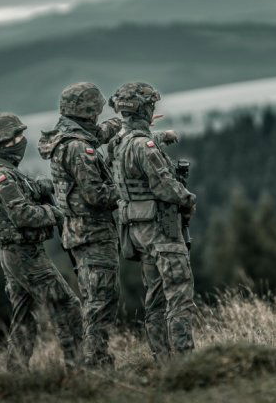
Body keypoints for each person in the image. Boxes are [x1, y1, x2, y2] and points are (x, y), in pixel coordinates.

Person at [38, 82, 179, 367]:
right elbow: (97, 195)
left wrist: (135, 124)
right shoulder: (78, 148)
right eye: (95, 110)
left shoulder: (66, 137)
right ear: (87, 111)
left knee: (95, 299)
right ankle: (96, 364)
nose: (98, 116)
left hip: (79, 234)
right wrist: (126, 185)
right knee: (101, 303)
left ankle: (90, 362)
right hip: (93, 234)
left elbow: (101, 133)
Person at [0, 112, 83, 369]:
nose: (23, 140)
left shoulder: (2, 172)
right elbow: (23, 215)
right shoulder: (3, 176)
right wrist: (57, 213)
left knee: (24, 318)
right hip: (25, 256)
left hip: (15, 255)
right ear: (6, 141)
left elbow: (21, 196)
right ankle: (80, 368)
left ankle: (15, 375)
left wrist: (40, 186)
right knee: (66, 307)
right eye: (19, 135)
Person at [107, 82, 197, 362]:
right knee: (179, 295)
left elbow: (136, 146)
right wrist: (188, 198)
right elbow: (166, 187)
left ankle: (163, 362)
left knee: (155, 300)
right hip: (162, 230)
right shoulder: (142, 146)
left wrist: (159, 137)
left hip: (138, 231)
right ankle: (185, 362)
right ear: (144, 109)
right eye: (151, 106)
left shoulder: (119, 144)